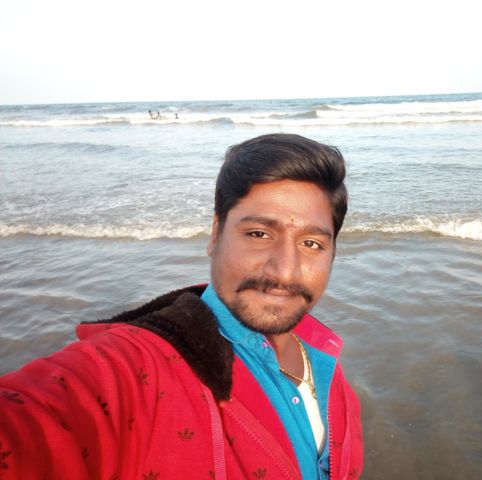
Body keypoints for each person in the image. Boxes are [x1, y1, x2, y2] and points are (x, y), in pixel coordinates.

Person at [0, 134, 363, 479]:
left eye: (312, 243)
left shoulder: (327, 363)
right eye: (258, 234)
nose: (284, 270)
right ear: (215, 234)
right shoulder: (140, 368)